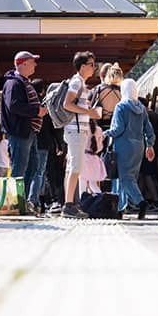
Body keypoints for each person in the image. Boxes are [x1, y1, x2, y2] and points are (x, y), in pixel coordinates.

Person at [104, 79, 156, 219]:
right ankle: (120, 208)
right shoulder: (141, 107)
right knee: (130, 177)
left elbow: (117, 129)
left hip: (123, 146)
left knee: (124, 178)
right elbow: (149, 130)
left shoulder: (121, 106)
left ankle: (140, 202)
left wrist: (104, 133)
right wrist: (149, 145)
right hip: (138, 147)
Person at [61, 51, 102, 218]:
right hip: (76, 131)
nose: (94, 68)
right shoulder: (77, 82)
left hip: (75, 130)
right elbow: (67, 104)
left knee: (72, 167)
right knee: (76, 167)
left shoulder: (79, 82)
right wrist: (89, 112)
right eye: (92, 64)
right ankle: (69, 205)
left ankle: (69, 203)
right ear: (83, 66)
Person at [0, 51, 47, 186]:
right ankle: (15, 201)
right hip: (20, 132)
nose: (35, 65)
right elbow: (14, 105)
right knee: (19, 168)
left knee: (32, 167)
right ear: (24, 63)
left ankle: (21, 200)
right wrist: (37, 111)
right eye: (33, 62)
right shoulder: (14, 83)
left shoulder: (22, 82)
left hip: (28, 132)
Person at [23, 79, 52, 213]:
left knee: (28, 171)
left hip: (29, 139)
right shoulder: (43, 105)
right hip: (43, 142)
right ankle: (33, 201)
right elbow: (50, 126)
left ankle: (26, 200)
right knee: (39, 173)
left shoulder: (29, 103)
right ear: (42, 90)